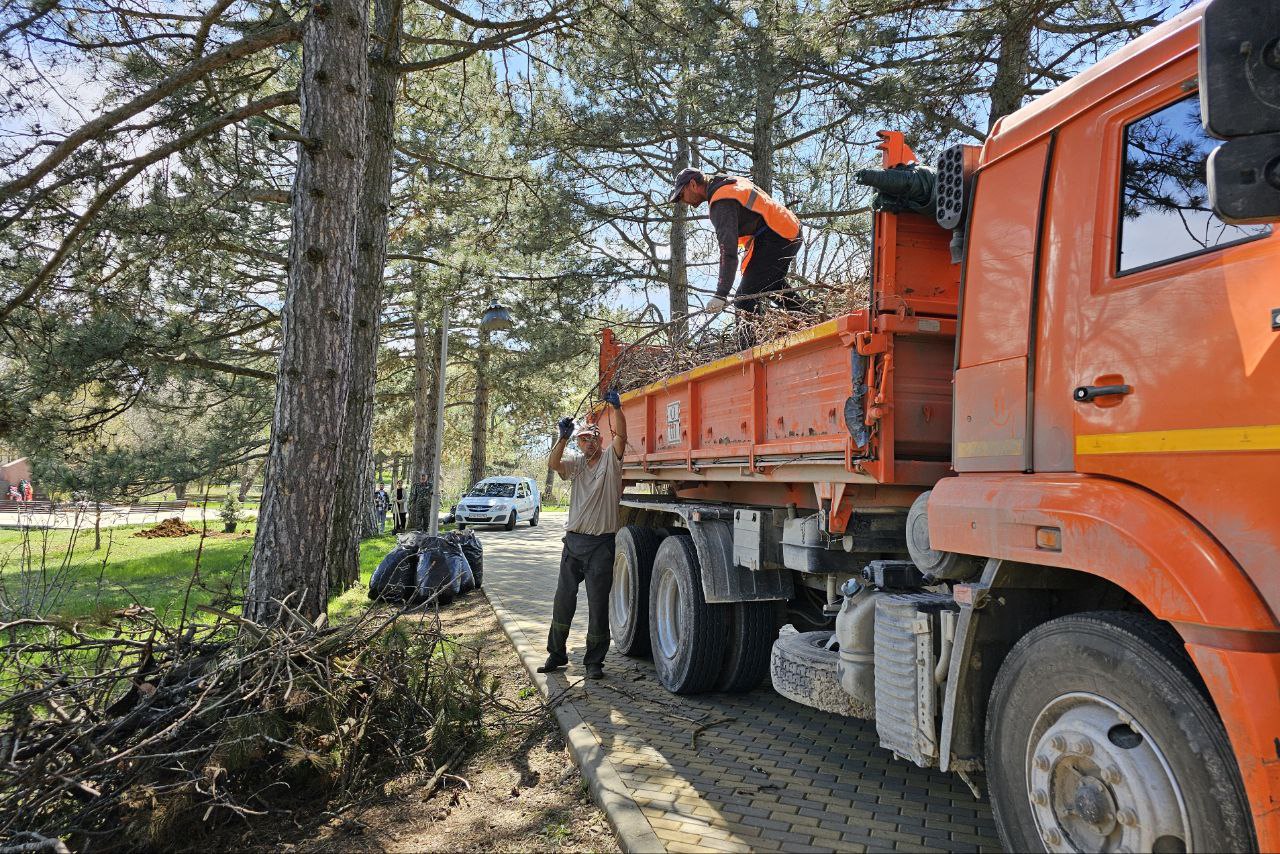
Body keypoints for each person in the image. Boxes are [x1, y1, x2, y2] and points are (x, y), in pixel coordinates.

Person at [538, 391, 627, 681]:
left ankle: (594, 662)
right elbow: (553, 465)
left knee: (598, 604)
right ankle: (556, 653)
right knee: (563, 599)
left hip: (601, 545)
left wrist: (616, 409)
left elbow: (621, 438)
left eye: (592, 438)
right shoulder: (575, 465)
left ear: (600, 441)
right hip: (573, 543)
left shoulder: (610, 463)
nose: (588, 443)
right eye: (583, 439)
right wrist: (562, 438)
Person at [668, 167, 804, 321]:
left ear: (693, 184)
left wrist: (721, 294)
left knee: (743, 301)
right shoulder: (727, 183)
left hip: (777, 236)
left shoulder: (722, 202)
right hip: (785, 229)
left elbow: (728, 251)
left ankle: (750, 344)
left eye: (681, 194)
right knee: (770, 285)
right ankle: (809, 316)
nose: (682, 200)